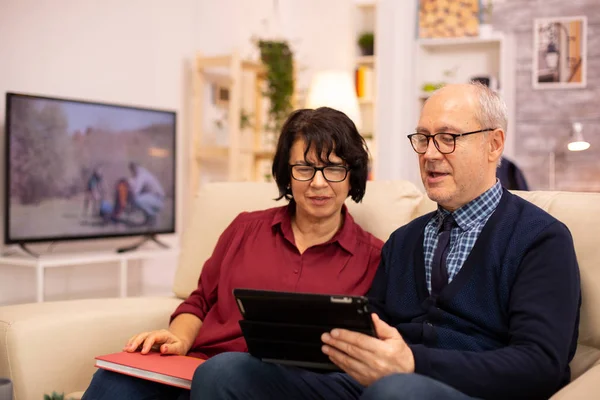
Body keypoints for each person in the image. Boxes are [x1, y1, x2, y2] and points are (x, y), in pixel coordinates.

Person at [190, 83, 581, 400]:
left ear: (494, 144)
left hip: (458, 389)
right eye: (423, 139)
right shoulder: (404, 240)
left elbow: (541, 364)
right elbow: (370, 326)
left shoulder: (541, 239)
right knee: (226, 372)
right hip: (369, 383)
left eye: (447, 138)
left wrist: (411, 364)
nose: (429, 154)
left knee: (397, 391)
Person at [81, 106, 384, 400]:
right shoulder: (245, 229)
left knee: (223, 372)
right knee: (116, 377)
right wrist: (179, 338)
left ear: (351, 174)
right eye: (304, 168)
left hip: (283, 386)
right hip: (196, 370)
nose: (318, 183)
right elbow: (199, 301)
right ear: (287, 174)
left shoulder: (374, 258)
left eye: (332, 168)